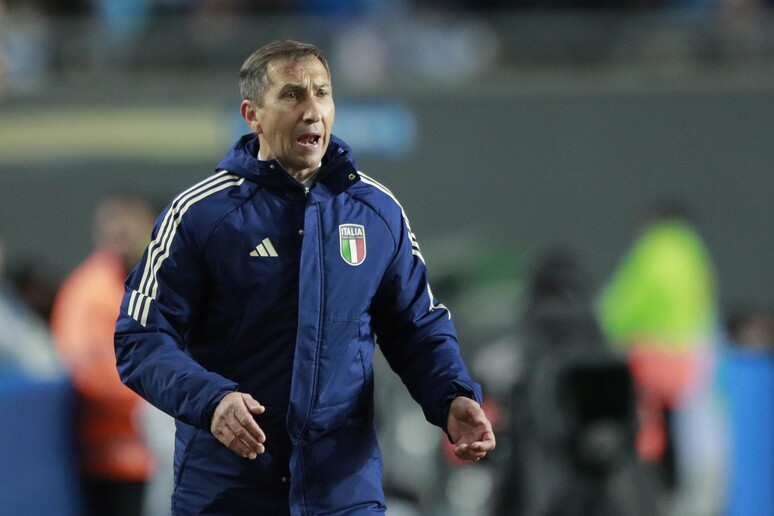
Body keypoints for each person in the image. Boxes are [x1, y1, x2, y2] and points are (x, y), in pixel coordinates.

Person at [114, 40, 495, 515]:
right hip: (228, 493)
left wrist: (452, 396)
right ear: (252, 115)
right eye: (292, 95)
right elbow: (140, 338)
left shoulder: (377, 212)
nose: (312, 111)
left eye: (322, 93)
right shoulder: (200, 215)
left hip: (342, 493)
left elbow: (415, 328)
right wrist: (211, 401)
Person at [51, 193, 158, 516]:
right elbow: (89, 371)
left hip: (158, 452)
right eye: (112, 225)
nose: (120, 233)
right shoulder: (88, 290)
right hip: (113, 458)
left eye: (130, 224)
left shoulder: (158, 278)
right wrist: (169, 397)